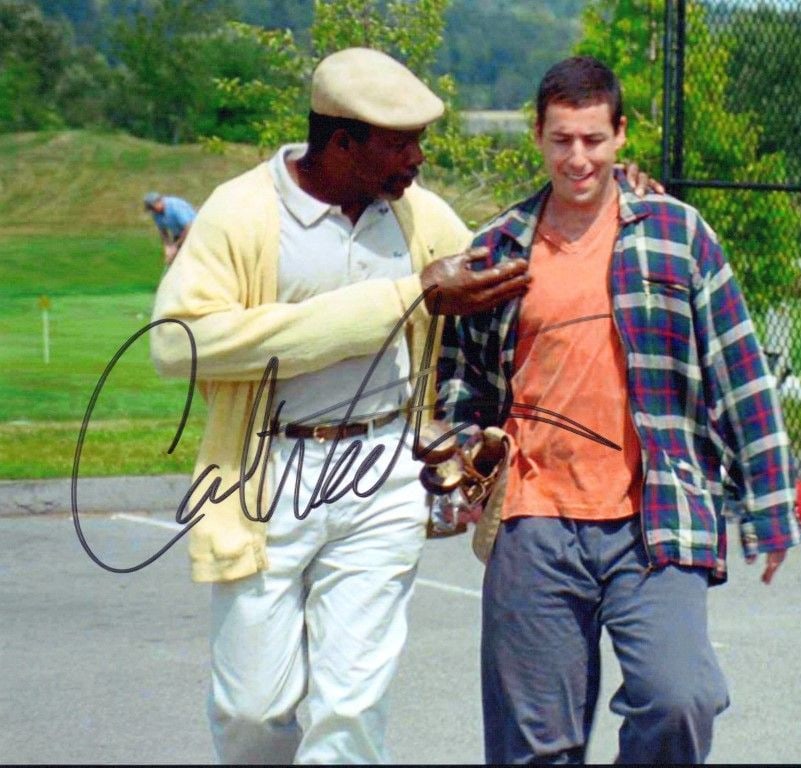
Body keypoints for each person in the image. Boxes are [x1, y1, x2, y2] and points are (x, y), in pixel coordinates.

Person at [149, 48, 534, 764]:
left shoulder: (417, 216)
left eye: (419, 140)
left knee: (350, 708)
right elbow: (180, 346)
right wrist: (402, 298)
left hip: (383, 473)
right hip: (265, 476)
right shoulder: (245, 212)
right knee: (251, 711)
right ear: (342, 143)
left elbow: (515, 258)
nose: (417, 158)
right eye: (399, 143)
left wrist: (602, 191)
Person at [434, 55, 801, 764]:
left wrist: (771, 504)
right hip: (533, 521)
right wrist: (460, 455)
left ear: (621, 135)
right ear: (538, 135)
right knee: (533, 746)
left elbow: (741, 372)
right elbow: (462, 383)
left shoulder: (678, 234)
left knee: (680, 697)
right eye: (563, 139)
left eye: (594, 140)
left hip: (654, 518)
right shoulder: (496, 248)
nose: (579, 158)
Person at [143, 191, 197, 266]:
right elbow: (162, 230)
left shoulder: (175, 207)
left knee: (190, 260)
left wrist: (176, 246)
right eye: (151, 209)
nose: (152, 211)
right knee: (173, 262)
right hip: (179, 234)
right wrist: (167, 246)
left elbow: (188, 227)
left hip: (194, 232)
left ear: (159, 202)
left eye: (152, 208)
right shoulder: (156, 213)